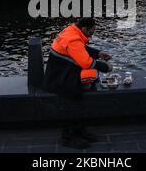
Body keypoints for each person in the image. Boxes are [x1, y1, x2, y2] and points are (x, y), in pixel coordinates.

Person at [42, 17, 112, 149]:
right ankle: (67, 138)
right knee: (72, 103)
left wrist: (98, 53)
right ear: (84, 29)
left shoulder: (72, 31)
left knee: (78, 100)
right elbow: (86, 62)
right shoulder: (73, 39)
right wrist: (106, 67)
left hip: (62, 71)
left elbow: (81, 48)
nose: (92, 35)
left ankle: (79, 130)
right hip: (60, 77)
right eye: (91, 32)